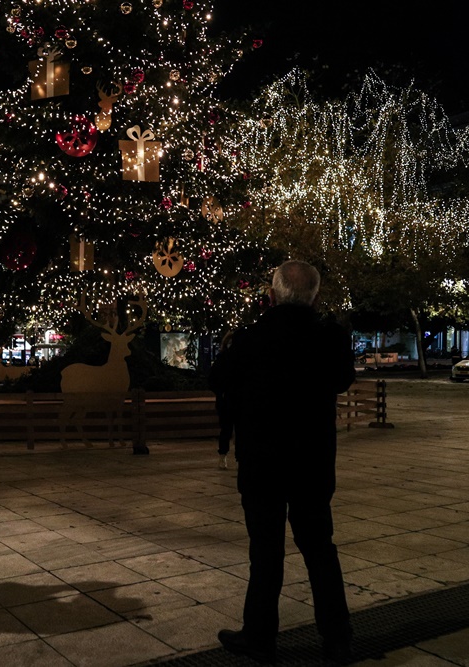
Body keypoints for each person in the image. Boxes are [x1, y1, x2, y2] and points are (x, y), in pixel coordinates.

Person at [209, 260, 355, 664]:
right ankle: (337, 638)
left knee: (266, 551)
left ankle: (259, 636)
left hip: (262, 464)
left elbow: (218, 380)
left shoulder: (250, 338)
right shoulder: (331, 338)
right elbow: (343, 379)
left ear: (270, 296)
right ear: (316, 296)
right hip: (312, 461)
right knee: (320, 548)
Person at [211, 330, 235, 469]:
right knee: (227, 429)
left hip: (229, 399)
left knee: (227, 429)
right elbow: (213, 380)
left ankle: (225, 457)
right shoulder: (223, 359)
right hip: (228, 399)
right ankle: (224, 456)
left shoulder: (224, 358)